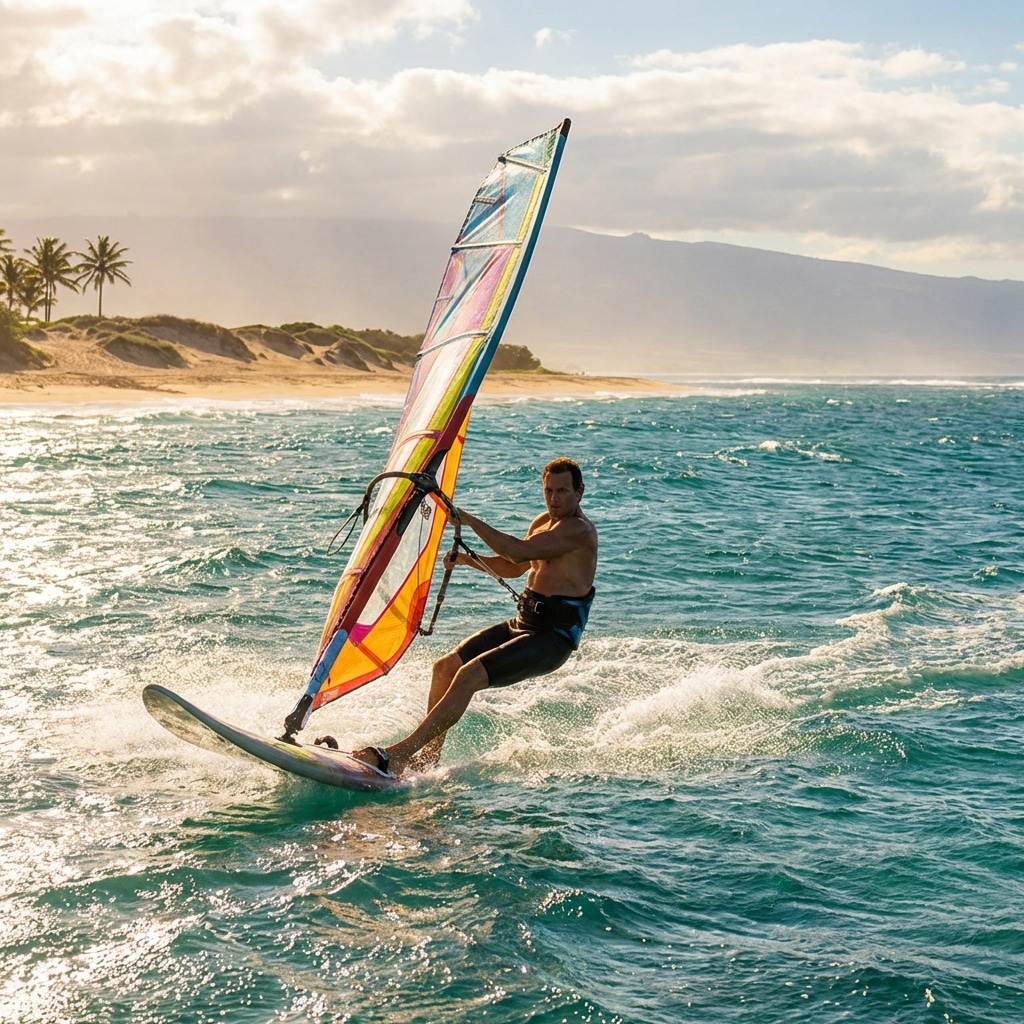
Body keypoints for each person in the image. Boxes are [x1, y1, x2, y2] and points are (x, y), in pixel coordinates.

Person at [351, 457, 598, 776]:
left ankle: (398, 754)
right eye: (549, 491)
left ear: (580, 492)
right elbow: (515, 567)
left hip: (552, 638)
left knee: (468, 675)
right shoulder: (542, 522)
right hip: (525, 623)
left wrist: (466, 519)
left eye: (563, 491)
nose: (554, 499)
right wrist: (470, 560)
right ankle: (427, 761)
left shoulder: (579, 530)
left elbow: (518, 551)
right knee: (445, 668)